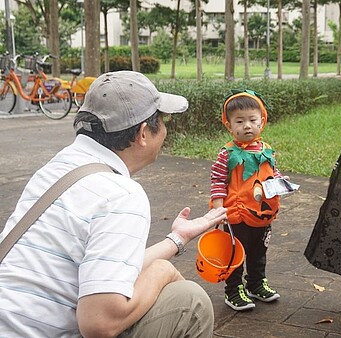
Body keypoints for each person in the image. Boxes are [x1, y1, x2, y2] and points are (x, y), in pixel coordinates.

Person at [0, 70, 227, 337]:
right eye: (162, 120)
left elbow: (103, 270)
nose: (165, 129)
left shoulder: (57, 168)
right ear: (144, 133)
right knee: (189, 301)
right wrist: (163, 271)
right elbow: (99, 321)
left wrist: (177, 238)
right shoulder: (121, 194)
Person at [210, 89, 284, 311]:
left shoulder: (267, 150)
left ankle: (255, 283)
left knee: (259, 251)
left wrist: (281, 182)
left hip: (262, 213)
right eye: (239, 121)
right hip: (236, 214)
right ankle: (233, 290)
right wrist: (218, 209)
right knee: (236, 253)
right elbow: (217, 180)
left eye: (252, 120)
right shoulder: (227, 153)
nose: (247, 126)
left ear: (262, 121)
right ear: (229, 125)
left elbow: (273, 173)